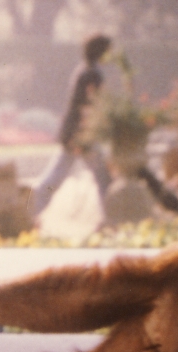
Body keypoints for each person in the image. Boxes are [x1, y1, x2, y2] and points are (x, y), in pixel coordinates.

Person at [29, 34, 114, 218]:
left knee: (58, 177)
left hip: (76, 133)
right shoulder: (93, 74)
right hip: (80, 135)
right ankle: (112, 219)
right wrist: (82, 137)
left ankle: (30, 212)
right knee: (99, 178)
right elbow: (87, 107)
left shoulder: (85, 70)